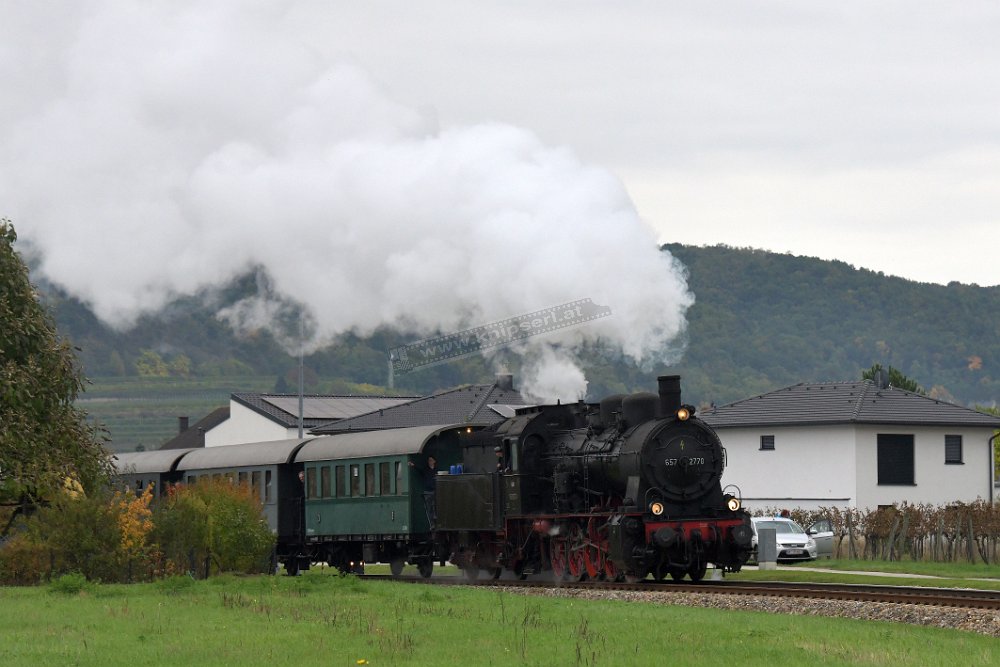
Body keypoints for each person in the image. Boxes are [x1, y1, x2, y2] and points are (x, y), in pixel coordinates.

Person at [409, 456, 437, 527]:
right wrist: (413, 465)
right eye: (429, 460)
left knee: (435, 506)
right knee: (429, 508)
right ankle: (432, 524)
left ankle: (436, 520)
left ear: (434, 461)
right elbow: (419, 470)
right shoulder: (426, 470)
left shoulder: (436, 471)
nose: (429, 462)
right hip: (427, 492)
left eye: (431, 460)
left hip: (435, 491)